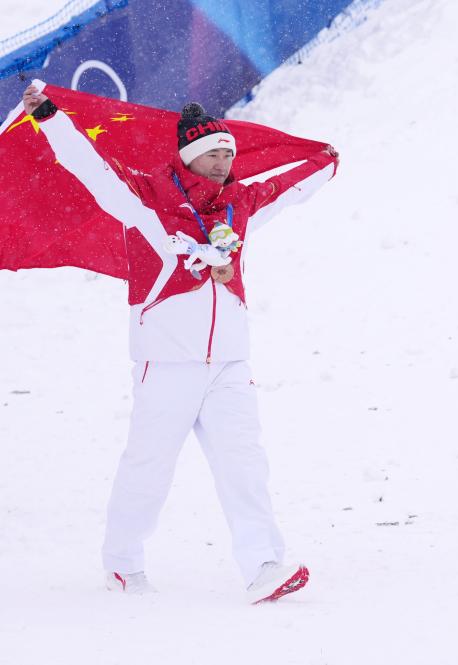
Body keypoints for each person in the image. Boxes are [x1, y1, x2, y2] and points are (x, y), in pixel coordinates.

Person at [21, 82, 339, 604]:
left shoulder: (239, 204)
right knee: (149, 468)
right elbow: (92, 167)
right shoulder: (146, 198)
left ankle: (263, 564)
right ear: (189, 156)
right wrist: (51, 118)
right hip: (166, 364)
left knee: (245, 464)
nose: (222, 162)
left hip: (229, 363)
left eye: (228, 154)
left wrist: (326, 161)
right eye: (213, 153)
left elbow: (286, 187)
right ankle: (123, 563)